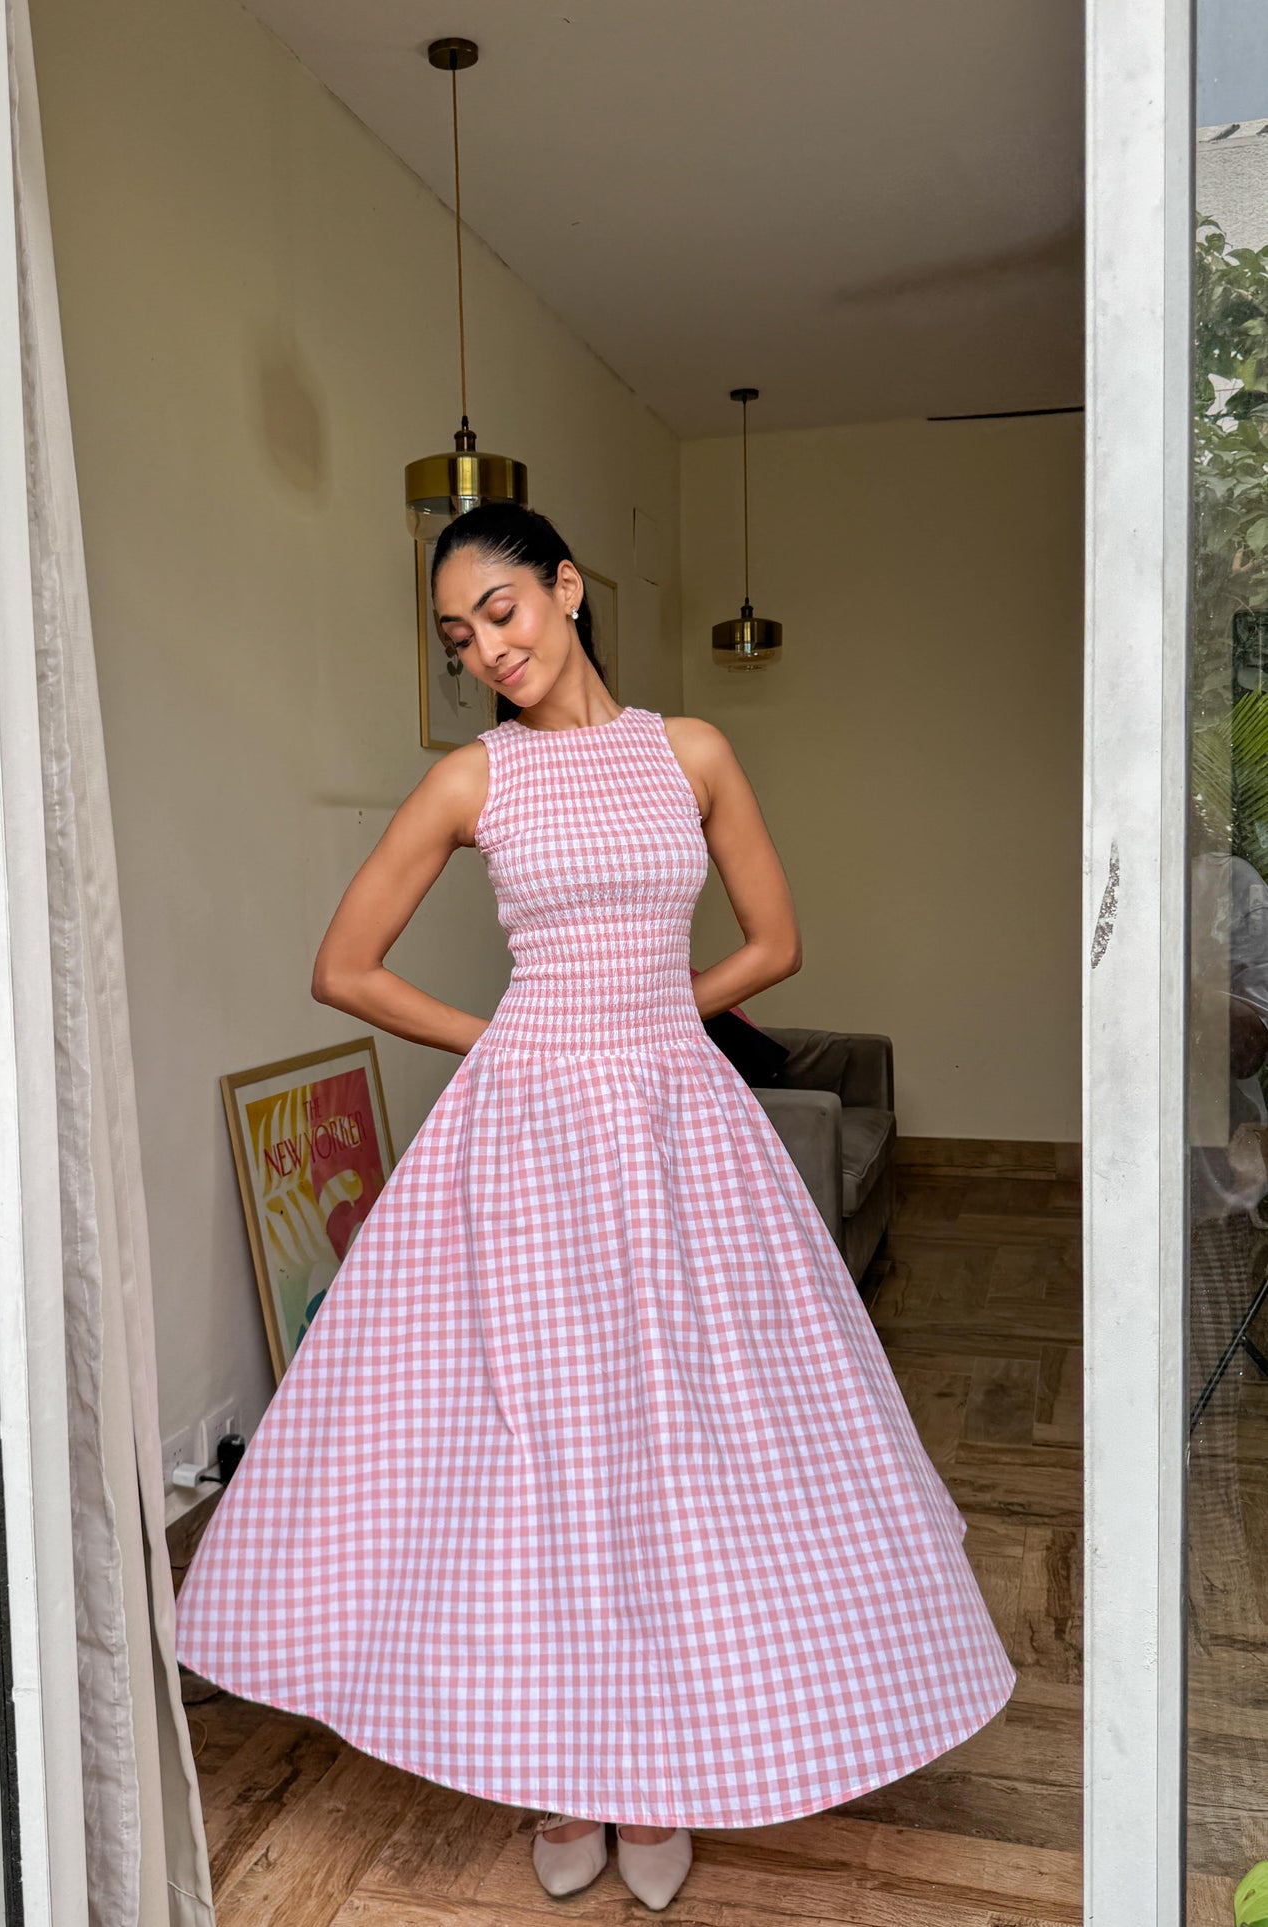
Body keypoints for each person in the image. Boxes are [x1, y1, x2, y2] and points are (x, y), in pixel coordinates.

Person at [172, 503, 1016, 1912]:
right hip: (526, 1145)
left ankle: (660, 1770)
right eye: (456, 636)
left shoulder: (690, 752)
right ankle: (568, 1775)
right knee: (544, 1449)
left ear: (565, 590)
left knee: (691, 1441)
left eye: (500, 610)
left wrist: (654, 1020)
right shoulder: (470, 782)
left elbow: (774, 942)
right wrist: (506, 1039)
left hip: (680, 1134)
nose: (483, 649)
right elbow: (346, 968)